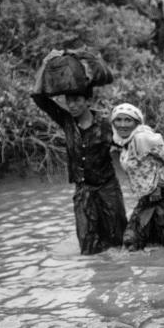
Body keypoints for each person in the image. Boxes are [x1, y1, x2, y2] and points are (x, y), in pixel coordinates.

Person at [31, 59, 127, 255]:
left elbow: (128, 145)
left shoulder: (105, 125)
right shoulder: (67, 122)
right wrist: (45, 64)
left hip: (108, 189)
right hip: (83, 191)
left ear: (88, 102)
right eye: (69, 101)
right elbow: (39, 97)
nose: (72, 105)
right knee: (88, 247)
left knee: (118, 243)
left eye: (77, 101)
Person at [110, 103, 164, 250]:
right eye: (118, 120)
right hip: (148, 198)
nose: (122, 124)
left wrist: (158, 185)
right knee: (131, 242)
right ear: (113, 123)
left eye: (128, 120)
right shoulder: (124, 143)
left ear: (137, 122)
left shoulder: (142, 138)